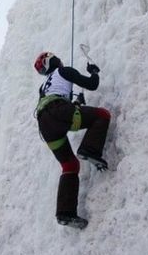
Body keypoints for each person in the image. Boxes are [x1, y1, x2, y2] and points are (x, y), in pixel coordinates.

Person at [33, 51, 111, 229]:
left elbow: (52, 104)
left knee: (69, 166)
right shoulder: (64, 71)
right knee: (102, 115)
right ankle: (89, 150)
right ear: (54, 61)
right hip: (59, 111)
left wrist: (75, 105)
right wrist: (94, 72)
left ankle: (65, 213)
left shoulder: (43, 87)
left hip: (45, 125)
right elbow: (92, 85)